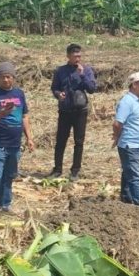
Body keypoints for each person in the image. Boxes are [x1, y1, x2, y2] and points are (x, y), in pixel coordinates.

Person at [0, 62, 34, 220]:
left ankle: (5, 204)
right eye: (2, 77)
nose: (6, 80)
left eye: (9, 77)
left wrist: (29, 138)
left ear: (14, 78)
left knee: (9, 176)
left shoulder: (19, 94)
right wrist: (1, 114)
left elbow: (24, 116)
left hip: (15, 145)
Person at [50, 43, 98, 181]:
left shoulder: (87, 70)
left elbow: (91, 89)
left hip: (80, 111)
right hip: (65, 110)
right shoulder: (60, 71)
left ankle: (75, 170)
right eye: (75, 56)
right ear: (68, 56)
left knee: (79, 141)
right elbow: (54, 88)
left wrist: (82, 75)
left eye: (79, 56)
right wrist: (58, 94)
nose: (78, 59)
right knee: (60, 141)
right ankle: (57, 169)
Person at [112, 72, 139, 205]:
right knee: (135, 176)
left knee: (128, 172)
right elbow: (117, 123)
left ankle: (126, 199)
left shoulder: (136, 100)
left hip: (135, 144)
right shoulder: (127, 102)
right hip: (129, 145)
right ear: (134, 85)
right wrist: (116, 137)